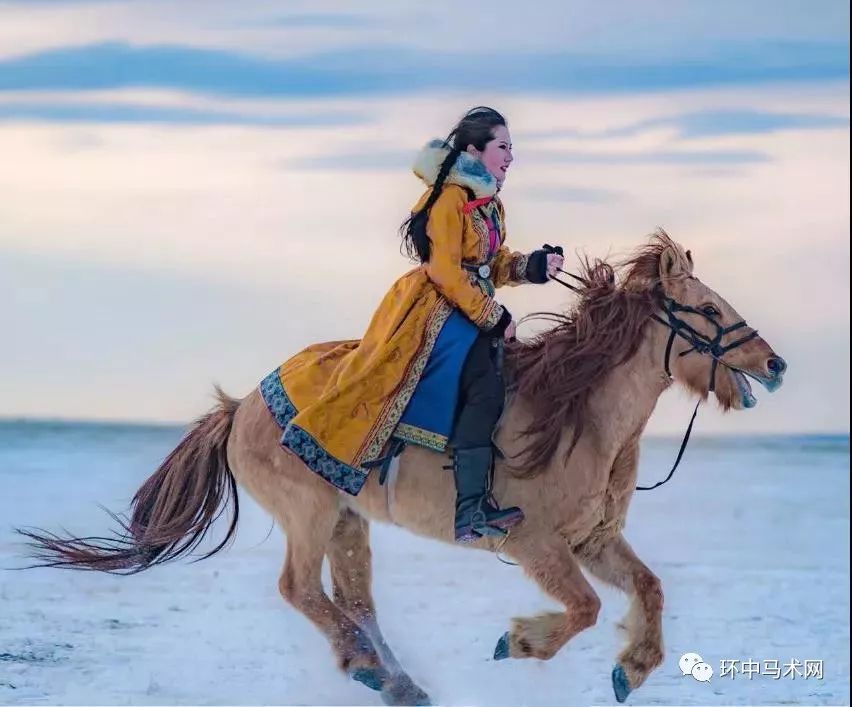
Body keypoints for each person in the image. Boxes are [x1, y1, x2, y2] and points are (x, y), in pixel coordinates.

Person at [262, 106, 564, 543]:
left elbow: (487, 264)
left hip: (466, 303)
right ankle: (469, 509)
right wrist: (493, 316)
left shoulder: (488, 204)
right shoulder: (449, 200)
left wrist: (533, 266)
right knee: (485, 385)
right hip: (435, 308)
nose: (511, 156)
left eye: (512, 148)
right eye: (503, 147)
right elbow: (444, 271)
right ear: (474, 150)